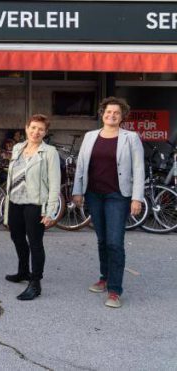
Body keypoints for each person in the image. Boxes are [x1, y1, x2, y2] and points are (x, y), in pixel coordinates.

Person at [72, 97, 145, 309]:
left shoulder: (131, 138)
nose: (111, 115)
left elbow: (138, 169)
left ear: (122, 117)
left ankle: (114, 290)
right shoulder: (90, 136)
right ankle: (104, 277)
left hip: (117, 196)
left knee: (115, 242)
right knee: (102, 240)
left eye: (116, 113)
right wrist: (78, 191)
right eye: (108, 112)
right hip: (94, 194)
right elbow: (81, 165)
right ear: (102, 114)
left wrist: (136, 198)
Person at [3, 114, 61, 300]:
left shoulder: (49, 152)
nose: (36, 132)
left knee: (35, 242)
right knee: (16, 237)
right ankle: (23, 271)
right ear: (27, 127)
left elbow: (54, 183)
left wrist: (51, 211)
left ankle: (35, 283)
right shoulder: (18, 148)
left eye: (41, 129)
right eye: (33, 127)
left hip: (35, 204)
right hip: (15, 201)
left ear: (45, 132)